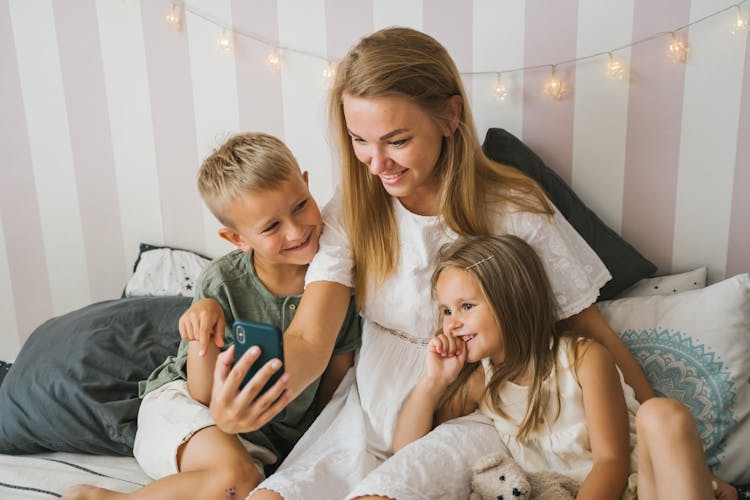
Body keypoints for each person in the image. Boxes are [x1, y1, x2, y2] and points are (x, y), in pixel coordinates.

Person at [186, 27, 657, 499]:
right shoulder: (353, 209)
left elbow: (591, 331)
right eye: (359, 140)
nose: (377, 163)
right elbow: (310, 336)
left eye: (396, 140)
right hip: (368, 405)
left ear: (450, 116)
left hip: (470, 412)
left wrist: (669, 442)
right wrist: (253, 399)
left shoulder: (515, 210)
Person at [62, 132, 361, 500]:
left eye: (301, 205)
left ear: (308, 183)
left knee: (247, 482)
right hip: (187, 412)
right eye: (271, 227)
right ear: (237, 239)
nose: (296, 230)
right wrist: (199, 330)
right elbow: (201, 393)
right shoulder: (223, 283)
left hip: (263, 442)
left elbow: (332, 389)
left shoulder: (334, 283)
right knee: (235, 477)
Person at [394, 234, 732, 500]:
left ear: (513, 302)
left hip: (638, 488)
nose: (452, 323)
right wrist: (433, 382)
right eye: (446, 311)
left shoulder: (583, 359)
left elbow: (611, 462)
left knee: (660, 414)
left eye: (466, 306)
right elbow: (405, 454)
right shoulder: (483, 382)